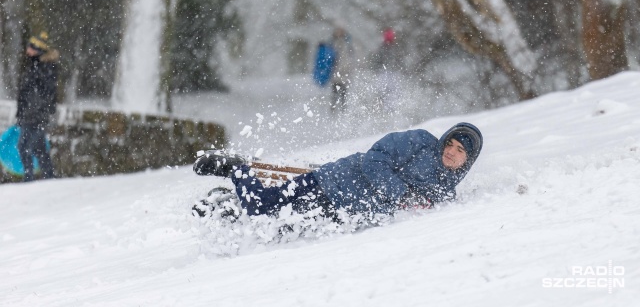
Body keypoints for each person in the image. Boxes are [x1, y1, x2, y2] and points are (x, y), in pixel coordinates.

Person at [193, 122, 482, 221]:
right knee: (263, 208)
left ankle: (225, 205)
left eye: (460, 152)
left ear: (467, 161)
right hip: (332, 181)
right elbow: (374, 159)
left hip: (341, 212)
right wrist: (403, 194)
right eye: (451, 144)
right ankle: (238, 169)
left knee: (279, 227)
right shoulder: (420, 142)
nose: (451, 152)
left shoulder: (445, 192)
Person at [15, 31, 58, 182]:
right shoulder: (33, 67)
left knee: (26, 146)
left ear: (38, 50)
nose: (27, 50)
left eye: (31, 47)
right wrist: (20, 114)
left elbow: (45, 94)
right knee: (37, 148)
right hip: (30, 115)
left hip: (37, 116)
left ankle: (30, 177)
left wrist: (35, 112)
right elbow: (25, 94)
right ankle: (48, 176)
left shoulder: (45, 68)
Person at [369, 27, 402, 112]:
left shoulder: (393, 48)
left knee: (390, 91)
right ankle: (383, 107)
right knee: (384, 91)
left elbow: (398, 61)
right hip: (383, 72)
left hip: (391, 72)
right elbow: (377, 60)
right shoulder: (384, 48)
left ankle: (388, 108)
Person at [329, 27, 355, 112]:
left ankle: (342, 110)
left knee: (343, 93)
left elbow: (350, 58)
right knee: (335, 93)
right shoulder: (332, 43)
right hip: (335, 72)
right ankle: (333, 110)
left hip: (344, 72)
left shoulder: (347, 43)